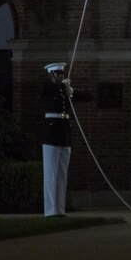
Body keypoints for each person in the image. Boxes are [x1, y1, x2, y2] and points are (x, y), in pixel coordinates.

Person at [41, 62, 93, 217]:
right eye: (58, 74)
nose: (61, 76)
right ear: (51, 75)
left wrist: (70, 90)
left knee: (62, 174)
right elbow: (49, 90)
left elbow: (88, 96)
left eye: (62, 74)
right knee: (51, 173)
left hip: (64, 133)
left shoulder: (64, 90)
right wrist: (64, 88)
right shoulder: (48, 88)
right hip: (51, 133)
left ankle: (60, 209)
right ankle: (50, 211)